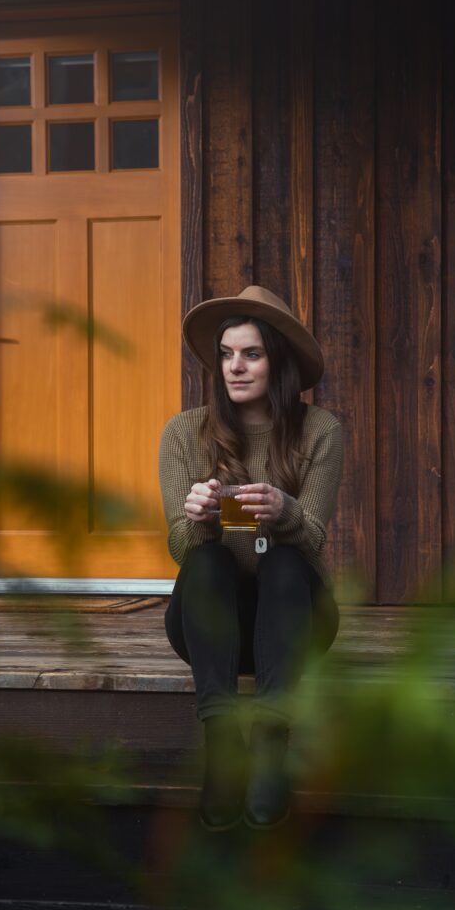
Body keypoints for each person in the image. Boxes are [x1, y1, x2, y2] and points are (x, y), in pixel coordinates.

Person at [158, 285, 343, 831]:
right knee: (207, 563)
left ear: (277, 362)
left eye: (252, 354)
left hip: (292, 622)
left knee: (286, 561)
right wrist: (197, 518)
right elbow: (179, 549)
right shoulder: (184, 432)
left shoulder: (319, 431)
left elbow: (311, 540)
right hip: (211, 626)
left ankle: (270, 743)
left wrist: (284, 510)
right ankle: (221, 744)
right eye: (226, 354)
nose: (234, 367)